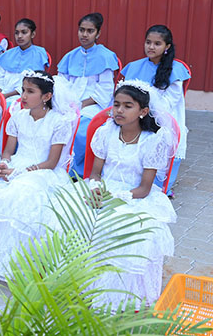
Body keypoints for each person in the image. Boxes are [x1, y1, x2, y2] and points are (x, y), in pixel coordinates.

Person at [0, 71, 79, 275]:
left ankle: (10, 260)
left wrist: (18, 172)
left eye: (30, 92)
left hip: (42, 171)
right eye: (23, 90)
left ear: (46, 96)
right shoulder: (18, 115)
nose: (23, 96)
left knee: (20, 195)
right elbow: (9, 150)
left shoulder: (58, 122)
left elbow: (52, 162)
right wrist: (3, 164)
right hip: (16, 162)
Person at [82, 81, 177, 309]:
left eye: (127, 106)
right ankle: (83, 285)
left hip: (134, 196)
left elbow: (144, 188)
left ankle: (120, 294)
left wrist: (115, 197)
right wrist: (95, 190)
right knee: (69, 215)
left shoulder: (153, 141)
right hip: (102, 189)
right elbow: (95, 173)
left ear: (143, 111)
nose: (119, 110)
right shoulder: (106, 132)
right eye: (116, 105)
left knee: (128, 229)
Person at [121, 25, 190, 195]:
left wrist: (143, 103)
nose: (151, 47)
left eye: (157, 44)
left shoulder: (175, 70)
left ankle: (158, 186)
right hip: (136, 114)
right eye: (148, 42)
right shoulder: (135, 66)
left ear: (167, 46)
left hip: (163, 118)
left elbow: (168, 103)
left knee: (160, 140)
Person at [58, 12, 119, 177]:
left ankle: (76, 171)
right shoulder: (70, 56)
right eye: (82, 30)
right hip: (70, 103)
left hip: (94, 104)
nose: (84, 34)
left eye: (90, 31)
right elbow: (62, 84)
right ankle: (58, 165)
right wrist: (67, 102)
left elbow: (105, 89)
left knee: (79, 128)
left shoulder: (105, 56)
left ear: (98, 34)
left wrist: (81, 104)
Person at [0, 18, 49, 104]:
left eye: (24, 32)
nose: (19, 36)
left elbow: (34, 82)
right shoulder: (8, 54)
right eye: (16, 33)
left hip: (23, 96)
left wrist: (6, 96)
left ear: (33, 34)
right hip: (2, 93)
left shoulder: (39, 54)